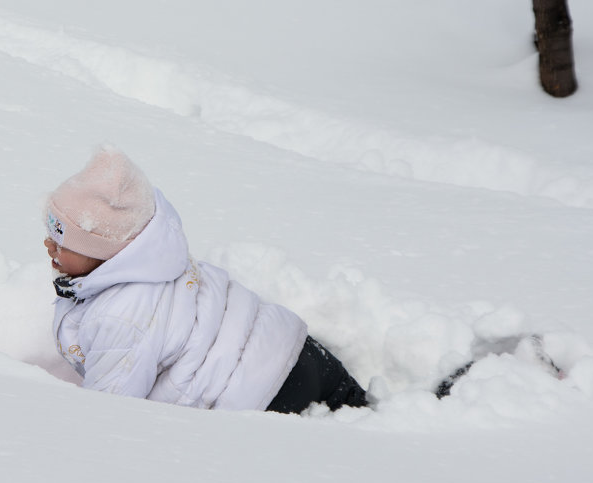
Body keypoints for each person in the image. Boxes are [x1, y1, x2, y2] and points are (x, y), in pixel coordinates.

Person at [43, 145, 369, 414]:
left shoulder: (121, 316)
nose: (49, 245)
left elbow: (110, 410)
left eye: (61, 242)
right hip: (300, 352)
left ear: (106, 252)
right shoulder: (157, 260)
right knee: (365, 415)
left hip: (262, 391)